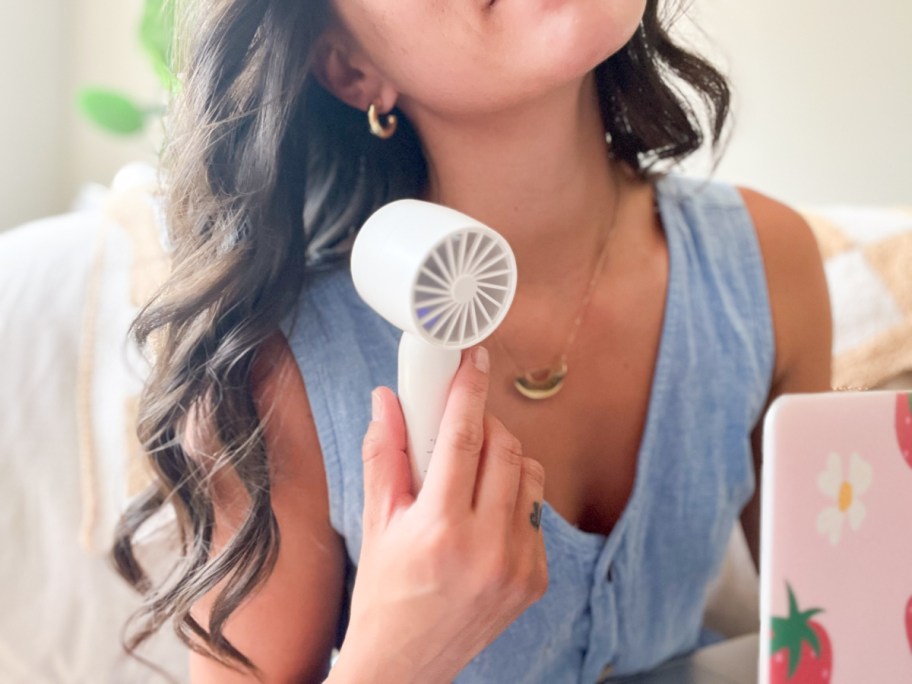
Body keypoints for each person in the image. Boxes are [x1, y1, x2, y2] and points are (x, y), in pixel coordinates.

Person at [112, 0, 832, 681]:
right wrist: (399, 657)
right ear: (352, 69)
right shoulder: (275, 374)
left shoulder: (768, 266)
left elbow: (841, 616)